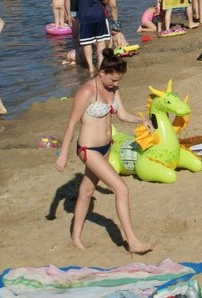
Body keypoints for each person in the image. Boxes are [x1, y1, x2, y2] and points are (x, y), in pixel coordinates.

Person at [54, 49, 154, 253]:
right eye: (113, 80)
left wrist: (141, 120)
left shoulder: (113, 89)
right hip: (88, 149)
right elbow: (71, 124)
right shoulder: (87, 92)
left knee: (87, 190)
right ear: (102, 72)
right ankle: (132, 242)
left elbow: (123, 115)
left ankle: (75, 236)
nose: (116, 84)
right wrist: (63, 155)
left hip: (105, 147)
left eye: (119, 81)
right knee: (122, 188)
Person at [65, 0, 111, 76]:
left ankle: (90, 67)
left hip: (84, 16)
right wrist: (104, 4)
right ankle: (100, 65)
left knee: (86, 43)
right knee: (101, 41)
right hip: (98, 14)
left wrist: (68, 14)